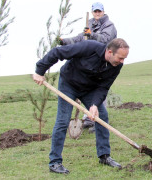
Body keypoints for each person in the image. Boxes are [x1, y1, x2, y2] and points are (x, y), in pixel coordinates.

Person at [33, 38, 129, 174]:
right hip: (68, 84)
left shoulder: (116, 66)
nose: (122, 62)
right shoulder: (89, 47)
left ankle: (104, 156)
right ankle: (55, 162)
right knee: (63, 120)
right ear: (109, 52)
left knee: (102, 115)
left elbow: (103, 87)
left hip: (89, 89)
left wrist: (95, 105)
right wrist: (39, 71)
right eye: (120, 58)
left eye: (124, 59)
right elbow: (57, 52)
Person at [61, 2, 117, 130]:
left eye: (99, 11)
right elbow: (79, 39)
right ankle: (88, 117)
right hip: (90, 62)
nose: (97, 13)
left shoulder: (109, 25)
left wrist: (92, 34)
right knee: (88, 89)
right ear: (92, 12)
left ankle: (99, 120)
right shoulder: (89, 24)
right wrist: (64, 41)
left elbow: (106, 40)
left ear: (103, 12)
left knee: (98, 90)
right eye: (95, 11)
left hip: (103, 62)